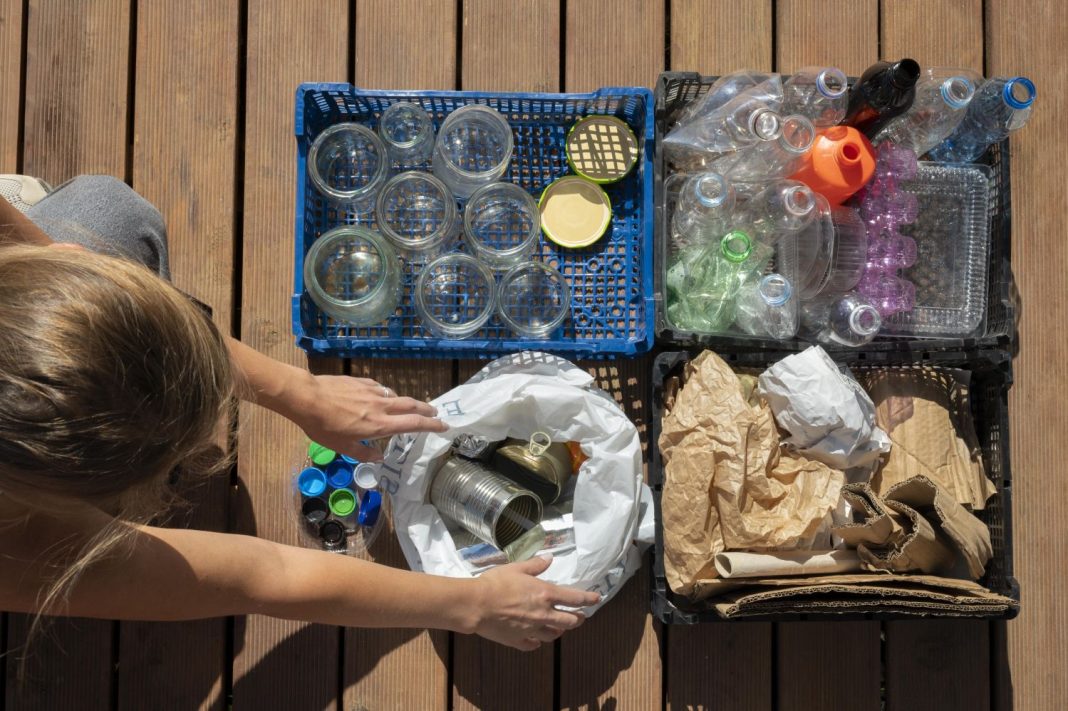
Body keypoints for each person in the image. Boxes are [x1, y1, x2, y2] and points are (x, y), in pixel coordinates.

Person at [0, 176, 598, 651]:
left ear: (67, 260)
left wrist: (298, 393)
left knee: (112, 211)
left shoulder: (46, 257)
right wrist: (472, 607)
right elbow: (264, 576)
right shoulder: (18, 546)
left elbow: (53, 258)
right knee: (110, 217)